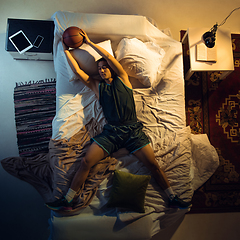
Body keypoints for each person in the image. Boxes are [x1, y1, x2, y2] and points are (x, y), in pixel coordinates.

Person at [46, 31, 191, 211]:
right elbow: (78, 71)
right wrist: (66, 49)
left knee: (153, 164)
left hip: (132, 132)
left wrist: (89, 42)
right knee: (85, 162)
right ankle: (67, 200)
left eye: (105, 67)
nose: (102, 70)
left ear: (112, 69)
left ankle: (172, 197)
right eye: (99, 69)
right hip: (112, 133)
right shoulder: (97, 86)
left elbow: (107, 56)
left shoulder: (123, 78)